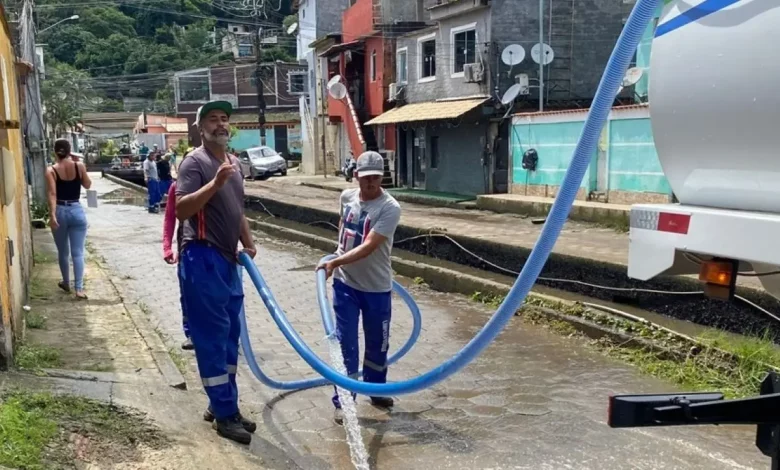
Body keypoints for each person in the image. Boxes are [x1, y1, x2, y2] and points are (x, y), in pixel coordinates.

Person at [176, 100, 258, 445]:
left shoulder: (234, 162)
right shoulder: (195, 162)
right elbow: (181, 209)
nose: (222, 124)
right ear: (201, 127)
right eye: (214, 119)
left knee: (229, 337)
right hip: (201, 256)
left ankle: (224, 403)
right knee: (211, 338)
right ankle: (224, 415)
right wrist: (214, 183)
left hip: (227, 261)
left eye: (225, 119)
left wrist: (248, 243)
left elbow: (236, 210)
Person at [316, 151, 401, 425]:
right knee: (345, 343)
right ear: (356, 176)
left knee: (378, 342)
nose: (371, 182)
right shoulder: (346, 197)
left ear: (382, 176)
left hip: (376, 286)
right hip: (346, 284)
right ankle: (344, 401)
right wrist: (335, 259)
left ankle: (376, 390)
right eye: (366, 177)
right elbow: (343, 230)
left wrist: (334, 261)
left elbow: (369, 246)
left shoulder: (390, 207)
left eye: (376, 176)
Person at [46, 139, 93, 300]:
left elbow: (52, 194)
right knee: (78, 252)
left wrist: (52, 215)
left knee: (63, 252)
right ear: (69, 150)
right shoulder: (78, 166)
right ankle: (79, 289)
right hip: (76, 210)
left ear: (54, 151)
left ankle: (66, 282)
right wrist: (80, 165)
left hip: (59, 210)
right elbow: (87, 185)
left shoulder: (51, 170)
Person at [163, 150, 193, 351]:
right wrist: (167, 247)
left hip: (217, 245)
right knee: (188, 292)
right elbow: (169, 219)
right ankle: (191, 333)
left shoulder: (217, 183)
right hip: (186, 247)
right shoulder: (177, 188)